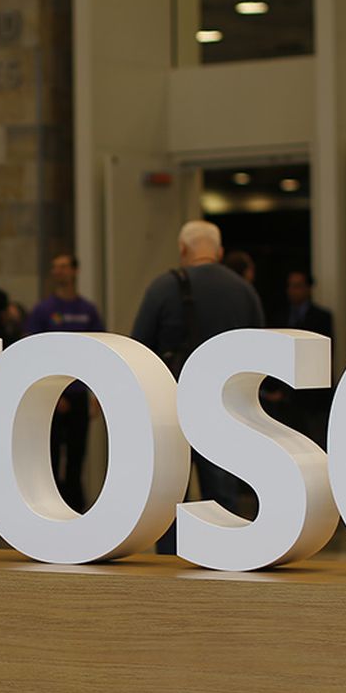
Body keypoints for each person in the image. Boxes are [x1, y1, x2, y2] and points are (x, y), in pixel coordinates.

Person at [133, 221, 264, 547]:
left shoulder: (163, 287)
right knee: (222, 492)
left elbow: (139, 348)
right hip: (225, 407)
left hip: (171, 406)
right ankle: (226, 555)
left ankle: (170, 565)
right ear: (218, 252)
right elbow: (260, 352)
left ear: (182, 250)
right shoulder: (244, 290)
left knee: (168, 491)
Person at [25, 254, 105, 511]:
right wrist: (51, 394)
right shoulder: (43, 310)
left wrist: (96, 393)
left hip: (79, 392)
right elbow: (33, 352)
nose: (58, 272)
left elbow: (100, 352)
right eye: (54, 268)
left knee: (76, 455)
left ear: (75, 271)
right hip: (52, 396)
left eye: (63, 267)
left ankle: (76, 508)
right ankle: (50, 506)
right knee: (50, 454)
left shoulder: (87, 310)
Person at [284, 270, 334, 448]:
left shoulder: (322, 317)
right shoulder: (282, 317)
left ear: (308, 289)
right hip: (289, 394)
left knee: (316, 444)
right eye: (290, 286)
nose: (293, 291)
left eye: (297, 286)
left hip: (314, 395)